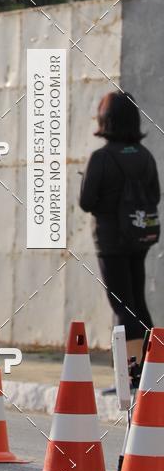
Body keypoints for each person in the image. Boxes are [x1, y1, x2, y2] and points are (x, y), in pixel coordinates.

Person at [80, 90, 160, 366]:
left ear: (106, 120)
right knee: (138, 302)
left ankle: (131, 373)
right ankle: (152, 369)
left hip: (111, 241)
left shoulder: (101, 158)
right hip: (139, 237)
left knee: (122, 307)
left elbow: (86, 202)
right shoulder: (145, 156)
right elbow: (155, 196)